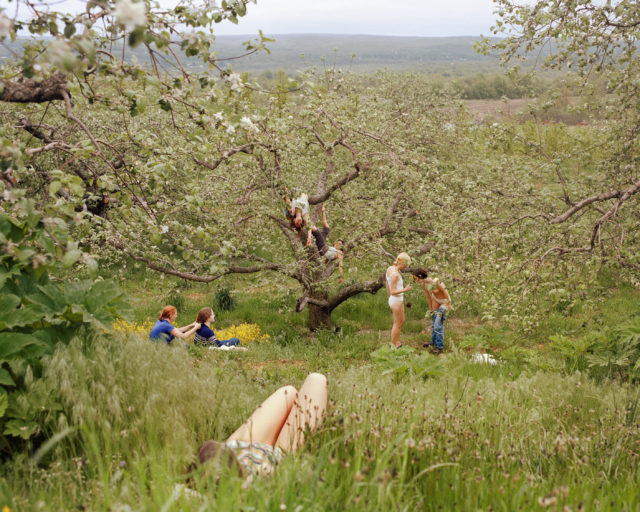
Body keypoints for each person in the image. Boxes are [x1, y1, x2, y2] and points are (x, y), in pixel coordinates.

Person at [192, 373, 328, 479]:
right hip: (279, 455)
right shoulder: (252, 486)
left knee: (289, 391)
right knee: (316, 379)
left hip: (235, 447)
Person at [412, 268, 452, 354]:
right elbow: (428, 297)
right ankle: (433, 341)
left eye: (415, 278)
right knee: (434, 321)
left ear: (420, 276)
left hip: (444, 301)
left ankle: (439, 346)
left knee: (438, 324)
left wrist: (449, 303)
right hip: (435, 299)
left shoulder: (435, 282)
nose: (415, 281)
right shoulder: (424, 284)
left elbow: (445, 291)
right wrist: (430, 309)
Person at [306, 204, 344, 282]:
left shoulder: (339, 253)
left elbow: (340, 266)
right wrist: (321, 265)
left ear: (341, 248)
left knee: (315, 229)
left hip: (323, 248)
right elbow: (325, 260)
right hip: (324, 247)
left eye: (339, 244)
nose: (337, 244)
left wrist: (341, 277)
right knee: (326, 229)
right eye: (337, 243)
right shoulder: (333, 250)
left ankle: (306, 220)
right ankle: (323, 211)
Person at [386, 252, 412, 349]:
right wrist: (406, 289)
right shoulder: (395, 274)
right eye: (406, 264)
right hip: (396, 300)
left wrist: (389, 297)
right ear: (402, 263)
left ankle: (397, 341)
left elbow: (387, 284)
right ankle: (393, 345)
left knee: (402, 321)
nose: (406, 266)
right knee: (397, 323)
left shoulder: (390, 268)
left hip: (395, 299)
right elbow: (393, 291)